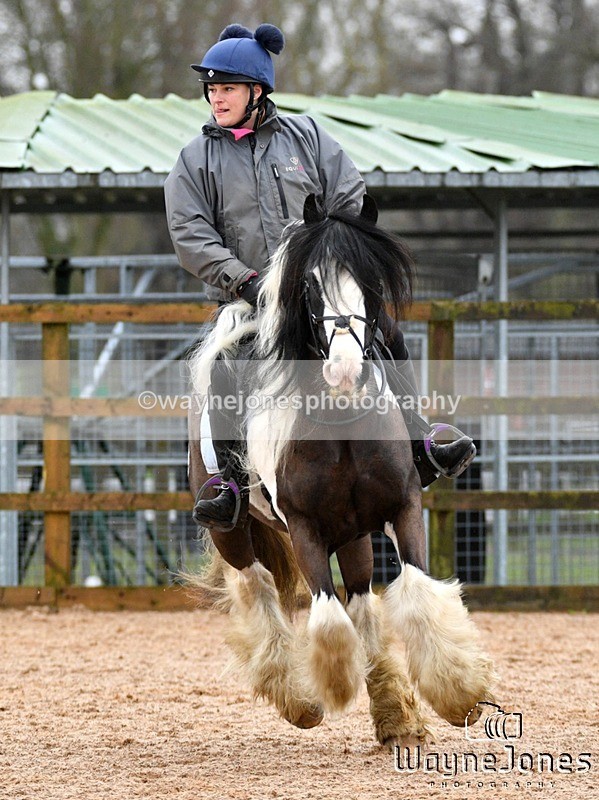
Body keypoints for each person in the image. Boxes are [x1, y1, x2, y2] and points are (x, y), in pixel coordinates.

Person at [164, 23, 475, 531]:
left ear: (257, 91)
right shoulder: (195, 159)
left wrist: (331, 260)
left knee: (389, 335)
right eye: (212, 89)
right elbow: (189, 234)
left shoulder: (307, 138)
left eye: (227, 89)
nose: (216, 99)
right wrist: (244, 281)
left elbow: (349, 198)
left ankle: (420, 438)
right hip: (248, 298)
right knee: (222, 367)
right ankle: (228, 485)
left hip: (318, 291)